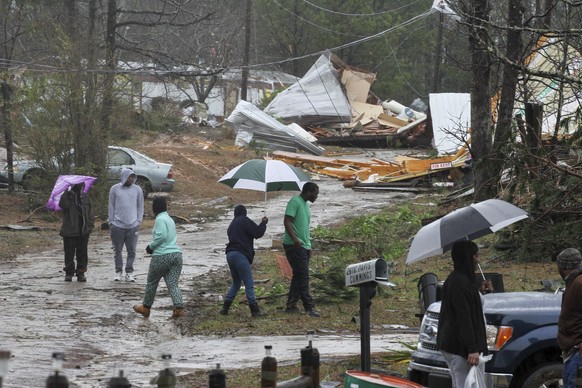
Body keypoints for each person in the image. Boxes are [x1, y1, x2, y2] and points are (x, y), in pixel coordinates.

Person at [437, 240, 492, 388]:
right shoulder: (459, 283)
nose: (478, 260)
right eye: (476, 256)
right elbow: (463, 318)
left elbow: (469, 305)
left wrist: (479, 292)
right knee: (464, 384)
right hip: (460, 347)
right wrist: (472, 349)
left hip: (458, 345)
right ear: (468, 257)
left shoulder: (461, 280)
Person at [133, 196, 185, 319]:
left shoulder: (160, 219)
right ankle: (179, 308)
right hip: (177, 255)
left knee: (152, 282)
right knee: (173, 283)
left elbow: (161, 236)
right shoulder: (170, 219)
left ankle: (146, 307)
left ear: (154, 208)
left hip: (162, 255)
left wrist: (151, 247)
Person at [219, 205, 269, 318]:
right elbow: (257, 233)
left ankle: (225, 308)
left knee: (236, 283)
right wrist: (263, 223)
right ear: (245, 212)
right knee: (249, 283)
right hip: (240, 255)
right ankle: (254, 310)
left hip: (230, 255)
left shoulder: (231, 225)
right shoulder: (245, 221)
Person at [282, 182, 320, 317]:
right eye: (315, 194)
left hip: (304, 245)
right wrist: (295, 240)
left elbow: (304, 227)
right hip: (294, 245)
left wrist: (308, 246)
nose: (316, 196)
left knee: (298, 275)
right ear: (309, 192)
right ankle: (309, 307)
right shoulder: (295, 201)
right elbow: (287, 221)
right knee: (303, 275)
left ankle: (291, 305)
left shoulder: (305, 205)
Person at [108, 168, 144, 282]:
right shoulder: (115, 189)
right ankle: (118, 271)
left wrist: (138, 220)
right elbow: (111, 205)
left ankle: (129, 272)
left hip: (133, 225)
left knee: (131, 250)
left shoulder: (137, 190)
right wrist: (111, 221)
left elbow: (140, 206)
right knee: (117, 250)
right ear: (124, 177)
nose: (131, 179)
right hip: (117, 225)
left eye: (133, 177)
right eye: (129, 177)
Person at [556, 248, 582, 388]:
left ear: (561, 266)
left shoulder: (579, 283)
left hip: (578, 354)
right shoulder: (574, 282)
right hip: (572, 353)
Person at [58, 183, 94, 282]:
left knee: (82, 253)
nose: (81, 184)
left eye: (82, 183)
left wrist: (90, 225)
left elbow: (90, 212)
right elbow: (62, 206)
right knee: (69, 253)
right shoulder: (67, 195)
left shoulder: (86, 196)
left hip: (83, 230)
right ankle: (69, 272)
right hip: (69, 230)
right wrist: (66, 194)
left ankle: (80, 272)